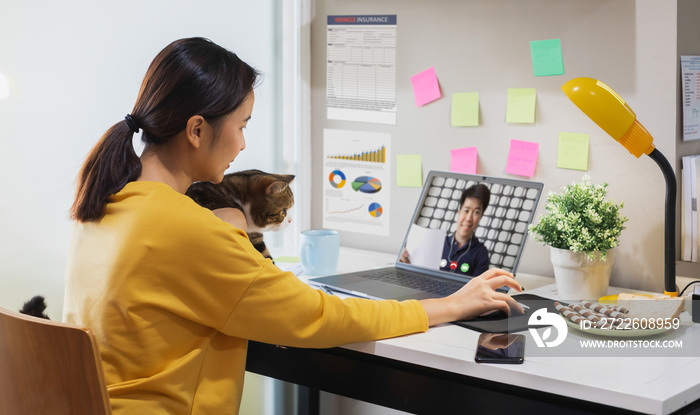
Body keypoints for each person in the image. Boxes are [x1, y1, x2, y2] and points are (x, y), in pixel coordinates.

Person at [62, 37, 522, 415]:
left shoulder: (103, 205)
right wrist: (449, 305)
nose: (243, 143)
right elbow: (316, 316)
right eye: (242, 125)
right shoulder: (188, 230)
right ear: (197, 130)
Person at [399, 184, 491, 276]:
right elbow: (419, 276)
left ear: (481, 217)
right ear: (459, 213)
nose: (469, 218)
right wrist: (406, 263)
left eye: (476, 212)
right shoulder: (437, 242)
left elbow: (479, 288)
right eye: (466, 211)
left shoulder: (481, 253)